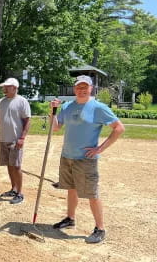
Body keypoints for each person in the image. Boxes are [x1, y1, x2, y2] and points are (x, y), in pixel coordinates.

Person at [50, 75, 125, 244]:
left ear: (91, 88)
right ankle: (70, 218)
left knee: (91, 194)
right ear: (74, 88)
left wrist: (100, 148)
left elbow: (119, 128)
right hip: (67, 156)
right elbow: (55, 127)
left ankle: (100, 228)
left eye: (85, 87)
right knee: (71, 189)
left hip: (85, 159)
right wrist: (53, 111)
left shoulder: (98, 107)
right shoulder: (68, 106)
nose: (82, 90)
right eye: (79, 87)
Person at [0, 78, 31, 205]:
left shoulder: (22, 101)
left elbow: (27, 121)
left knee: (16, 166)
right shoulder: (1, 102)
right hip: (3, 139)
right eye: (4, 87)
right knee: (9, 165)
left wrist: (22, 138)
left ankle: (20, 193)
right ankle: (13, 189)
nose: (4, 89)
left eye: (7, 87)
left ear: (14, 87)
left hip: (15, 140)